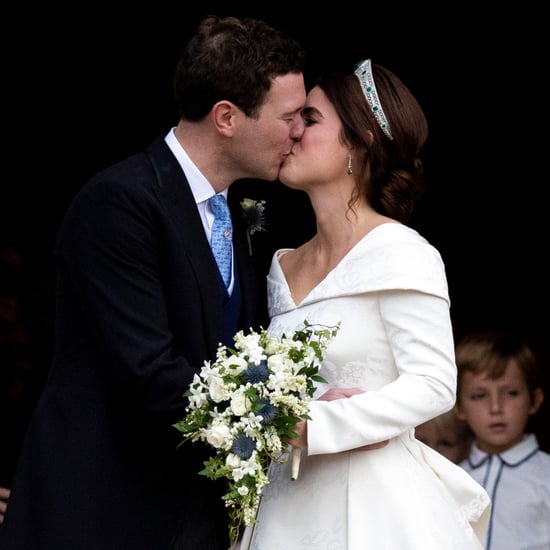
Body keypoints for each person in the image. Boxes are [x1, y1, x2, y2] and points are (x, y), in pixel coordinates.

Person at [0, 15, 306, 550]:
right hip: (104, 513)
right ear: (227, 118)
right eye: (289, 116)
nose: (299, 130)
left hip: (191, 518)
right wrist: (287, 419)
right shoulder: (119, 203)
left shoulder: (248, 211)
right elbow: (148, 371)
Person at [239, 59, 491, 550]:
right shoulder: (282, 265)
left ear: (359, 141)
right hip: (285, 503)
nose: (293, 131)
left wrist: (317, 425)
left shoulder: (401, 252)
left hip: (373, 504)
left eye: (310, 120)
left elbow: (434, 383)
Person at [454, 329, 550, 550]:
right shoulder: (452, 478)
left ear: (534, 400)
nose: (496, 408)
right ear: (458, 406)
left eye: (511, 393)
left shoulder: (546, 475)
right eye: (479, 396)